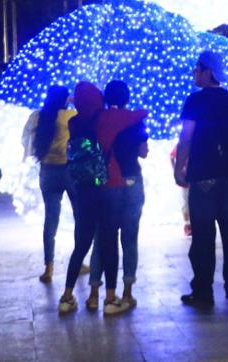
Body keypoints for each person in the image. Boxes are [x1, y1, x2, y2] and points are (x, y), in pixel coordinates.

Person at [175, 50, 228, 309]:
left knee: (203, 237)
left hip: (203, 175)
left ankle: (203, 291)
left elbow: (187, 137)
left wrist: (179, 167)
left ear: (208, 72)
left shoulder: (195, 102)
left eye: (197, 68)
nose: (194, 72)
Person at [86, 80, 148, 313]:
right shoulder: (135, 119)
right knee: (129, 238)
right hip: (131, 180)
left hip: (106, 182)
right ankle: (127, 292)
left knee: (102, 238)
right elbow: (143, 152)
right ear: (127, 97)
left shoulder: (99, 119)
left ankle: (94, 294)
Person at [57, 82, 119, 314]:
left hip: (83, 189)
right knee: (109, 241)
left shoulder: (74, 122)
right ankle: (110, 298)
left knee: (82, 243)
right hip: (104, 185)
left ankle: (67, 295)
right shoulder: (102, 119)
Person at [21, 85, 74, 283]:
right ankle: (80, 260)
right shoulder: (69, 116)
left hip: (47, 170)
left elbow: (27, 140)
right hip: (68, 170)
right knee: (80, 216)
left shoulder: (38, 117)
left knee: (51, 219)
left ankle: (49, 267)